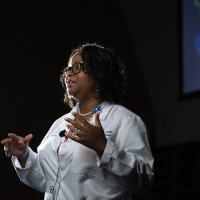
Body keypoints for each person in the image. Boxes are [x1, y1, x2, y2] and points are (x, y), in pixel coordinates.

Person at [1, 43, 154, 200]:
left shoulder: (125, 120)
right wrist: (24, 155)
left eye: (77, 67)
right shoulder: (60, 123)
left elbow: (144, 180)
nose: (68, 74)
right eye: (68, 68)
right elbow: (50, 180)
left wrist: (103, 146)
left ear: (99, 73)